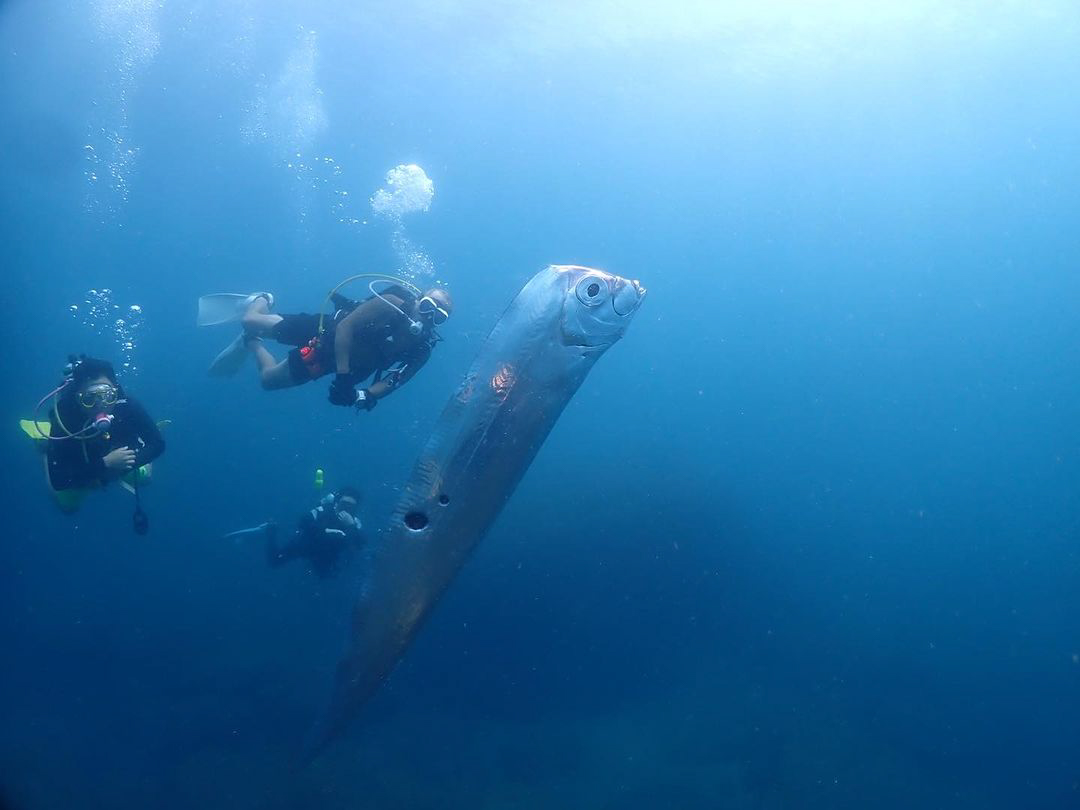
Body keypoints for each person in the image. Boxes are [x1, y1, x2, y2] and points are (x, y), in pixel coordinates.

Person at [203, 281, 453, 410]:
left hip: (328, 360)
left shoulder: (422, 348)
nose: (428, 316)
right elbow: (346, 328)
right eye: (428, 306)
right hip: (324, 332)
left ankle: (250, 342)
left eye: (439, 315)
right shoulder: (390, 303)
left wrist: (362, 395)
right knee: (249, 320)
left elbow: (397, 379)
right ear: (418, 299)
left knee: (268, 381)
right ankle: (262, 299)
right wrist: (344, 377)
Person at [25, 355, 165, 521]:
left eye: (108, 396)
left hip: (116, 459)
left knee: (146, 478)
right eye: (89, 399)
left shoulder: (127, 405)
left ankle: (138, 438)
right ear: (78, 398)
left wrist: (120, 468)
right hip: (80, 463)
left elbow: (158, 444)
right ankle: (45, 449)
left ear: (116, 390)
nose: (101, 405)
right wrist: (105, 464)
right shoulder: (65, 416)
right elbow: (59, 480)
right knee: (68, 508)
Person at [225, 488, 365, 579]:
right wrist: (324, 531)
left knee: (325, 577)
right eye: (343, 504)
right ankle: (270, 531)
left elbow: (360, 544)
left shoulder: (354, 522)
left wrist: (351, 526)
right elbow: (303, 522)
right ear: (336, 502)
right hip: (308, 545)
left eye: (351, 507)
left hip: (327, 555)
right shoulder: (324, 510)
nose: (346, 509)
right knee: (275, 561)